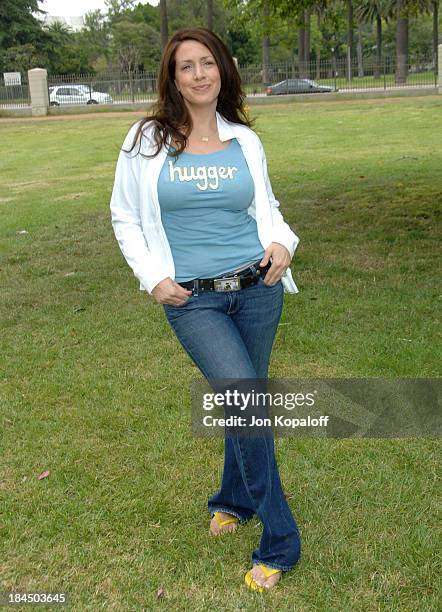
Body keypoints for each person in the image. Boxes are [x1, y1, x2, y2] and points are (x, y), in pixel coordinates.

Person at [110, 26, 301, 593]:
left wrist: (285, 244)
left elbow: (265, 206)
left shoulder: (244, 140)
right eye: (186, 66)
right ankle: (282, 540)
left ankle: (232, 500)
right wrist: (152, 277)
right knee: (243, 394)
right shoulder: (145, 140)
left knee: (243, 400)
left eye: (208, 63)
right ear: (172, 77)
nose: (199, 74)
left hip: (258, 286)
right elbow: (124, 216)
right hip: (194, 300)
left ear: (223, 70)